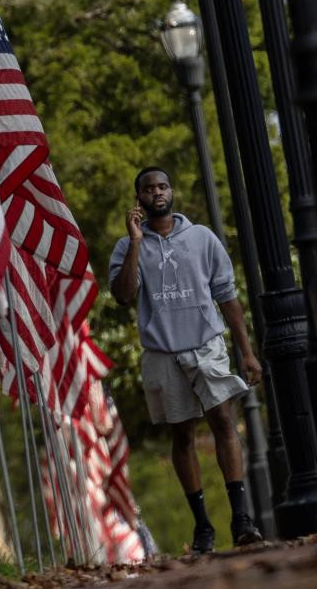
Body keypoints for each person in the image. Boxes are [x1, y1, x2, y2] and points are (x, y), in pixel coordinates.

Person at [109, 166, 264, 553]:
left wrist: (246, 352)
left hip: (207, 345)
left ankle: (241, 518)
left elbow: (227, 296)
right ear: (139, 199)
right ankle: (202, 528)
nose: (156, 193)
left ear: (171, 190)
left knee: (225, 422)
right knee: (182, 436)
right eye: (148, 189)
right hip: (162, 353)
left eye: (162, 186)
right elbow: (124, 295)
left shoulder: (202, 238)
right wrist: (133, 242)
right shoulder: (128, 246)